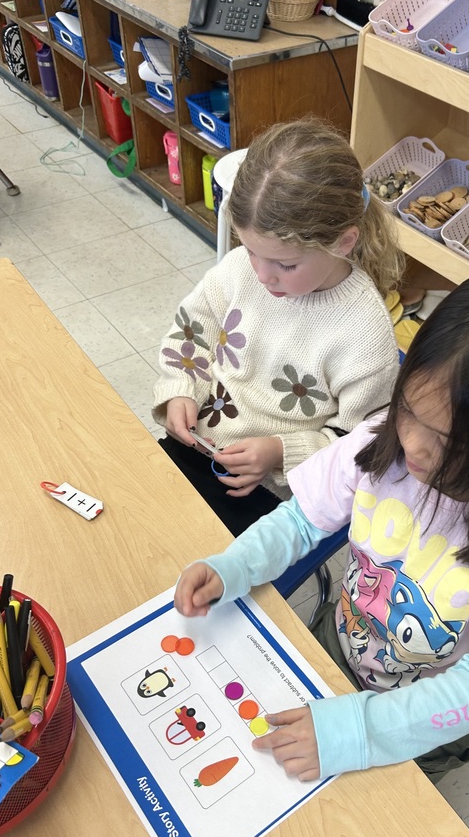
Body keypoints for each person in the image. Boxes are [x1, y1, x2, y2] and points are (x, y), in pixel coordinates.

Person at [173, 266, 469, 784]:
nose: (414, 445)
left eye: (451, 442)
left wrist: (361, 731)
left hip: (422, 714)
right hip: (340, 641)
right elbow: (302, 522)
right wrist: (234, 566)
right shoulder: (383, 441)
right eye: (410, 410)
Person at [152, 117, 404, 536]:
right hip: (197, 446)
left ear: (343, 242)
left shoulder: (364, 333)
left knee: (188, 572)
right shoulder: (238, 271)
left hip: (273, 494)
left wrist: (280, 453)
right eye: (249, 249)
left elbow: (361, 447)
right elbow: (190, 332)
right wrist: (180, 388)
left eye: (285, 264)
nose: (263, 275)